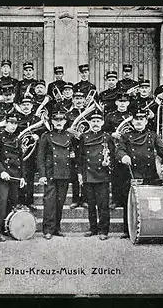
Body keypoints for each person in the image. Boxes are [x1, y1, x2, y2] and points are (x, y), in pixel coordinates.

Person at [115, 108, 163, 239]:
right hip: (132, 174)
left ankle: (150, 228)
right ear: (132, 121)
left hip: (149, 174)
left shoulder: (153, 136)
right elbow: (118, 150)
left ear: (146, 121)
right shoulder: (125, 136)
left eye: (142, 119)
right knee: (129, 202)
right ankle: (128, 229)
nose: (139, 122)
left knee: (149, 202)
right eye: (136, 119)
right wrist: (123, 156)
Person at [37, 111, 78, 240]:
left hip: (64, 173)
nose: (59, 122)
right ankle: (47, 229)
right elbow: (40, 157)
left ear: (65, 122)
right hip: (50, 174)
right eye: (56, 120)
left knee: (60, 202)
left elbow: (76, 152)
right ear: (52, 122)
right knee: (49, 202)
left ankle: (56, 228)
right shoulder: (46, 136)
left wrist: (73, 155)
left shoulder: (70, 136)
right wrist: (42, 175)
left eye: (61, 120)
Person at [0, 113, 26, 242]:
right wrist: (2, 171)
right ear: (6, 123)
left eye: (15, 123)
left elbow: (21, 159)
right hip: (3, 176)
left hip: (15, 176)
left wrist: (22, 177)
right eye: (11, 123)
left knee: (13, 202)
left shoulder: (17, 139)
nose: (13, 126)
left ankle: (9, 229)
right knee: (2, 202)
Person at [78, 110, 114, 240]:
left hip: (102, 175)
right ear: (89, 123)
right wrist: (80, 174)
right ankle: (93, 228)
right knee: (91, 205)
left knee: (103, 205)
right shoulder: (84, 137)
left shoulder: (107, 137)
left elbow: (112, 156)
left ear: (102, 123)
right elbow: (80, 157)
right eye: (93, 121)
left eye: (98, 121)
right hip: (88, 174)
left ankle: (104, 230)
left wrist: (108, 163)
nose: (95, 124)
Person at [102, 93, 132, 210]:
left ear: (128, 103)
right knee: (115, 175)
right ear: (116, 103)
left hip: (127, 149)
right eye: (120, 101)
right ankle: (115, 200)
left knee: (127, 174)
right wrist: (112, 134)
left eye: (124, 102)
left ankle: (126, 200)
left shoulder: (131, 116)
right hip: (114, 147)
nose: (122, 104)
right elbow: (104, 132)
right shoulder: (110, 116)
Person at [16, 96, 44, 211]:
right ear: (21, 106)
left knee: (30, 179)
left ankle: (30, 202)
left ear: (32, 106)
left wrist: (38, 136)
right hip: (18, 153)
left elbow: (44, 131)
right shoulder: (16, 118)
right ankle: (20, 202)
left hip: (32, 153)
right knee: (20, 178)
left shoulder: (36, 119)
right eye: (24, 105)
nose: (26, 107)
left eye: (28, 105)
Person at [65, 90, 88, 210]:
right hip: (74, 147)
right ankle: (75, 199)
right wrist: (70, 132)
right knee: (74, 175)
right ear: (73, 100)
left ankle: (84, 199)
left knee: (85, 173)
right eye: (76, 99)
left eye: (81, 99)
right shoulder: (68, 115)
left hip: (86, 147)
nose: (79, 101)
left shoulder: (89, 113)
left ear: (84, 100)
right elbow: (64, 133)